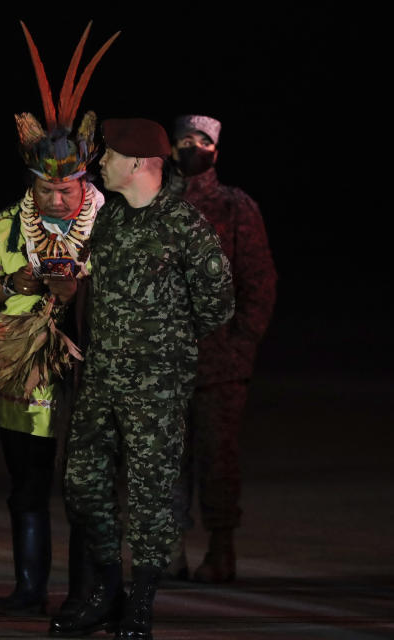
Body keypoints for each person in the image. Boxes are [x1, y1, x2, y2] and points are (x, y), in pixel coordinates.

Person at [50, 118, 234, 639]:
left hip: (156, 387)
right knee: (82, 484)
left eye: (107, 155)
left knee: (152, 496)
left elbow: (219, 302)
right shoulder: (109, 223)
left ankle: (142, 603)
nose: (99, 163)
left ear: (136, 164)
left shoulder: (183, 223)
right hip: (102, 380)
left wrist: (165, 347)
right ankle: (107, 590)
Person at [0, 21, 117, 617]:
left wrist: (80, 286)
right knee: (27, 485)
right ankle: (29, 588)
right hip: (24, 376)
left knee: (85, 487)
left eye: (68, 189)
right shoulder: (10, 222)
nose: (57, 199)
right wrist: (12, 284)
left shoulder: (109, 224)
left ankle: (84, 593)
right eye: (45, 190)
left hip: (89, 375)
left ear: (85, 179)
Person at [165, 115, 277, 583]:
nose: (192, 147)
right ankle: (166, 550)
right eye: (184, 140)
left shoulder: (235, 207)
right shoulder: (152, 205)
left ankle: (221, 547)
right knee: (162, 458)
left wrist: (242, 342)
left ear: (217, 151)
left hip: (219, 360)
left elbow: (259, 280)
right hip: (161, 357)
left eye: (202, 141)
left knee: (217, 455)